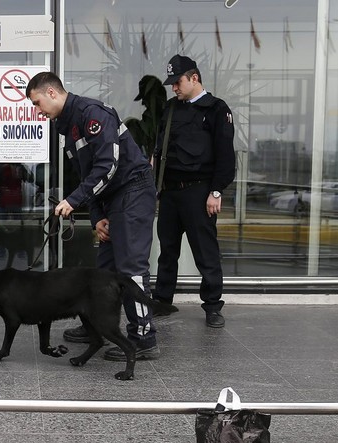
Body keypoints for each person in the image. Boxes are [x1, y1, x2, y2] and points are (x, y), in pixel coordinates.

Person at [26, 71, 159, 362]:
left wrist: (73, 201)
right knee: (105, 271)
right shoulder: (69, 126)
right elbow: (89, 174)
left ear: (51, 93)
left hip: (133, 191)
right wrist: (97, 216)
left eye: (37, 103)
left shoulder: (92, 114)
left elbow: (107, 165)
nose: (37, 111)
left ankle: (143, 337)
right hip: (111, 198)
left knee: (130, 267)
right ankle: (98, 326)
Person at [152, 55, 235, 328]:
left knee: (205, 253)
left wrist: (216, 192)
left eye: (178, 82)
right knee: (167, 251)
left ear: (194, 77)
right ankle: (162, 301)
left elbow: (225, 156)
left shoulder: (216, 109)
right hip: (170, 193)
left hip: (199, 193)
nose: (174, 88)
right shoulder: (171, 108)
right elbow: (159, 150)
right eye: (172, 84)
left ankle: (212, 306)